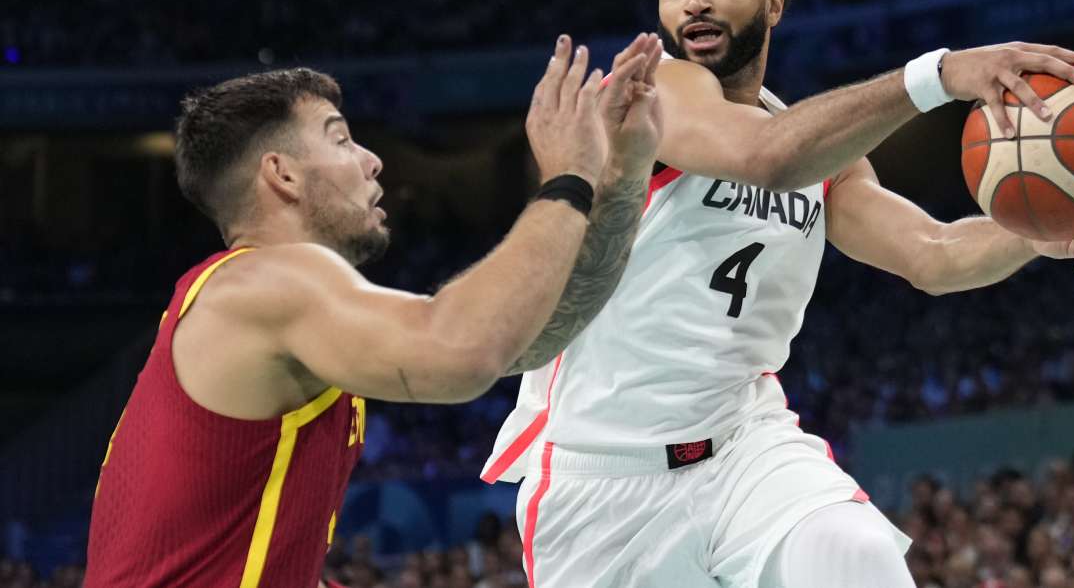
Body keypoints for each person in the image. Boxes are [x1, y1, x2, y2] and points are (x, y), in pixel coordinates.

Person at [481, 0, 1074, 587]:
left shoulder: (812, 144)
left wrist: (1039, 234)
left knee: (857, 553)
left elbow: (933, 254)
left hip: (744, 447)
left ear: (773, 4)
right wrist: (939, 74)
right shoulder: (650, 96)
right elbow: (767, 157)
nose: (695, 4)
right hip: (603, 474)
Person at [83, 32, 665, 587]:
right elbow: (461, 353)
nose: (372, 160)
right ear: (282, 174)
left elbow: (523, 340)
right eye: (340, 139)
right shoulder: (266, 281)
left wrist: (620, 174)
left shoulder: (263, 305)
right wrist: (567, 175)